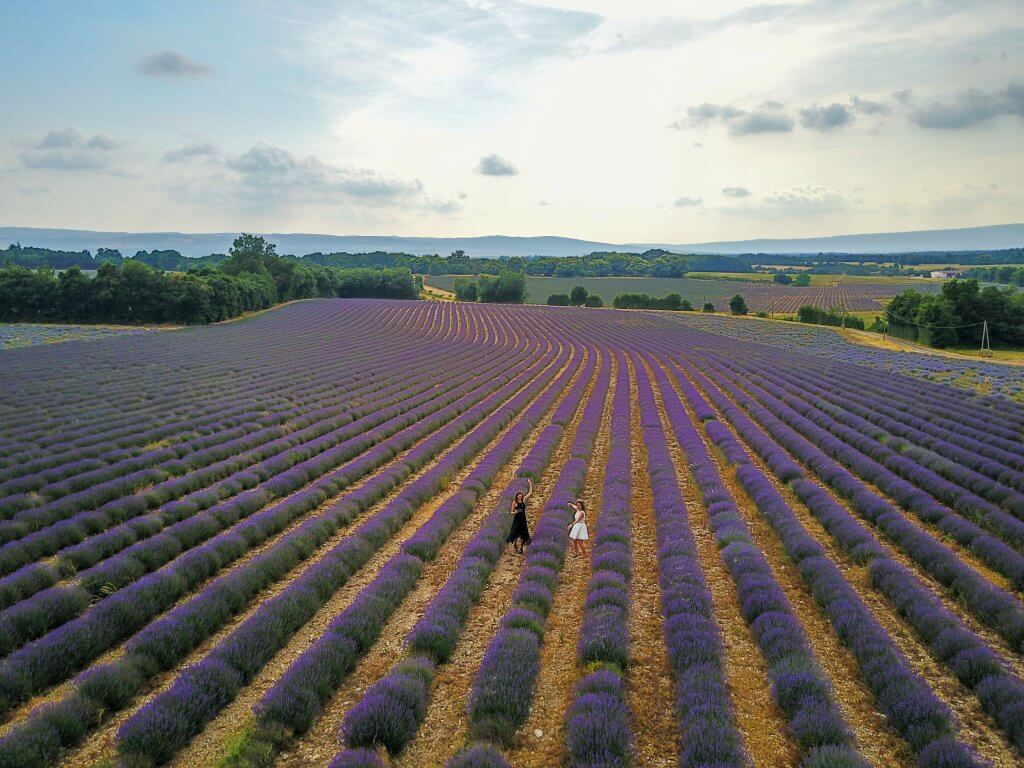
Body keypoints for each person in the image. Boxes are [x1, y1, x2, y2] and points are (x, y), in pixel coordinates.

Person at [507, 478, 533, 553]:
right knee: (515, 535)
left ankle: (521, 548)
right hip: (516, 520)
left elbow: (530, 493)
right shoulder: (514, 503)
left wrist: (530, 483)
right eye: (519, 496)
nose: (520, 497)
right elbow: (511, 512)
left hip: (523, 520)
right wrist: (515, 512)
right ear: (517, 496)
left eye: (521, 495)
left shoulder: (524, 500)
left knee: (523, 535)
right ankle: (515, 544)